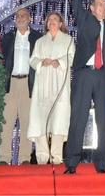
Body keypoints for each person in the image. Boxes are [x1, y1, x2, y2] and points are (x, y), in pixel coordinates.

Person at [64, 0, 105, 175]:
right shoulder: (85, 20)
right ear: (92, 8)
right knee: (78, 117)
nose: (103, 7)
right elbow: (76, 4)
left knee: (103, 121)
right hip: (84, 74)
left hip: (104, 76)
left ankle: (102, 164)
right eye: (99, 4)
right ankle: (71, 162)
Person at [28, 11, 75, 165]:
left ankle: (56, 157)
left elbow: (72, 57)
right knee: (40, 119)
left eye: (55, 19)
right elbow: (33, 60)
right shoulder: (40, 41)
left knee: (59, 119)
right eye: (49, 20)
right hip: (42, 85)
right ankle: (42, 157)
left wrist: (59, 62)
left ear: (61, 23)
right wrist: (42, 62)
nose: (52, 22)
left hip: (60, 84)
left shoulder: (68, 40)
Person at [0, 8, 40, 164]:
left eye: (24, 16)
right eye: (18, 16)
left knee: (27, 121)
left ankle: (24, 158)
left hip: (28, 83)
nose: (20, 18)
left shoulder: (37, 37)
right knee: (6, 121)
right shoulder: (7, 38)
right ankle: (4, 158)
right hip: (10, 83)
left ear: (29, 18)